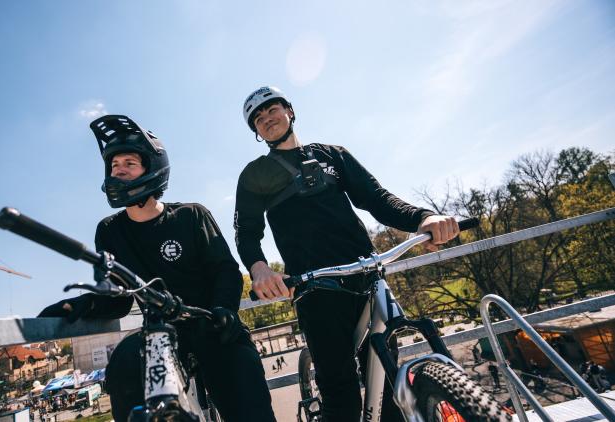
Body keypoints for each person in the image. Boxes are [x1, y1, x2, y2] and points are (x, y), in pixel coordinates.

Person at [234, 86, 461, 421]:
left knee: (388, 388)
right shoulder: (255, 174)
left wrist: (423, 217)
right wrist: (259, 269)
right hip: (314, 287)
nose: (267, 119)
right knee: (341, 397)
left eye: (272, 110)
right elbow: (247, 233)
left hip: (366, 274)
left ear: (290, 111)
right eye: (258, 119)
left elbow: (377, 198)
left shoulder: (332, 155)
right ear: (255, 131)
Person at [38, 115, 276, 422]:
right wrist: (83, 304)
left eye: (129, 163)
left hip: (213, 325)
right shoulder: (109, 231)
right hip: (161, 337)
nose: (118, 170)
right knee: (124, 365)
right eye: (114, 166)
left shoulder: (192, 215)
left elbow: (225, 271)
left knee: (245, 389)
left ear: (152, 168)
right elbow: (118, 297)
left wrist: (224, 310)